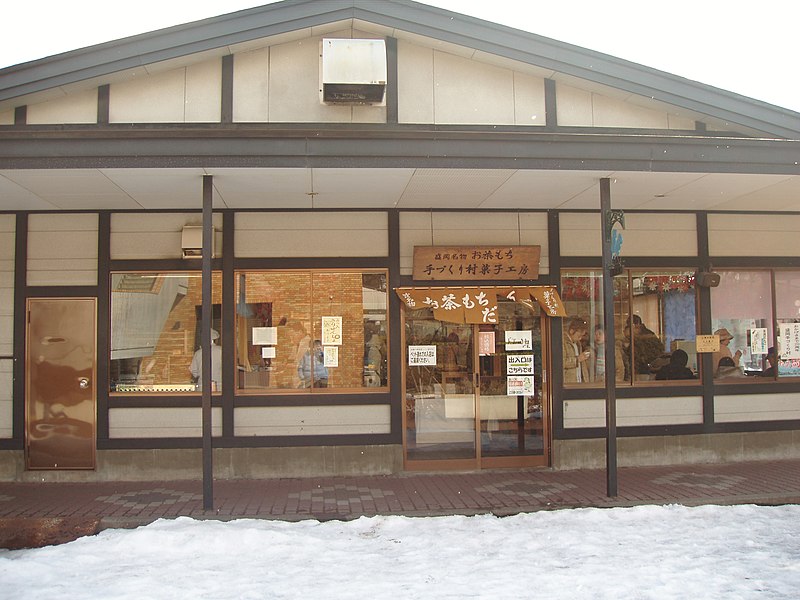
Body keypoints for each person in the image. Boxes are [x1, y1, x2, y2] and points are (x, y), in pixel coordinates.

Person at [623, 315, 663, 379]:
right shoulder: (648, 334)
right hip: (637, 368)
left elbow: (657, 350)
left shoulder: (647, 336)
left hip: (643, 369)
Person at [563, 317, 591, 383]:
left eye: (582, 336)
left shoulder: (578, 344)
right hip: (568, 382)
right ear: (571, 331)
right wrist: (577, 359)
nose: (580, 339)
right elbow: (561, 362)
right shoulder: (563, 343)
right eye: (579, 336)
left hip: (579, 380)